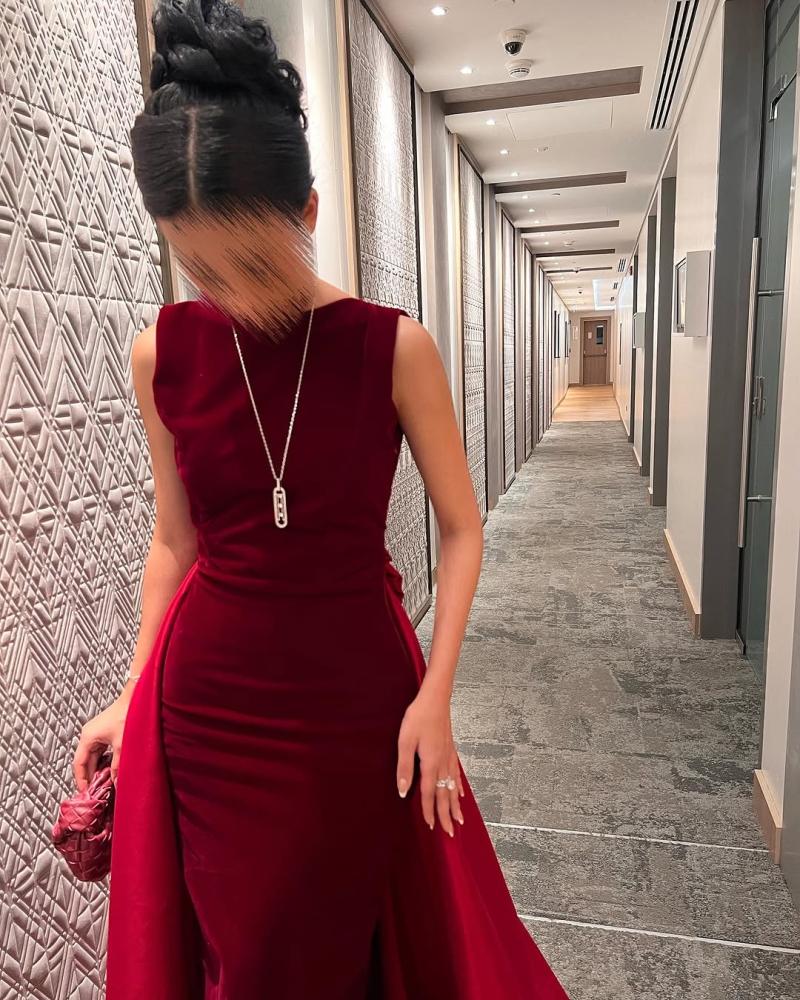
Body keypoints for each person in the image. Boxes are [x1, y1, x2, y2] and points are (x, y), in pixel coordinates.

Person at [72, 1, 570, 997]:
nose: (225, 290)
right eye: (199, 263)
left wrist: (436, 695)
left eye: (245, 261)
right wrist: (132, 688)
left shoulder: (393, 347)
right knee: (245, 952)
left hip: (358, 696)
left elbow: (461, 528)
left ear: (305, 214)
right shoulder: (162, 351)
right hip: (207, 706)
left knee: (348, 937)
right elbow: (173, 543)